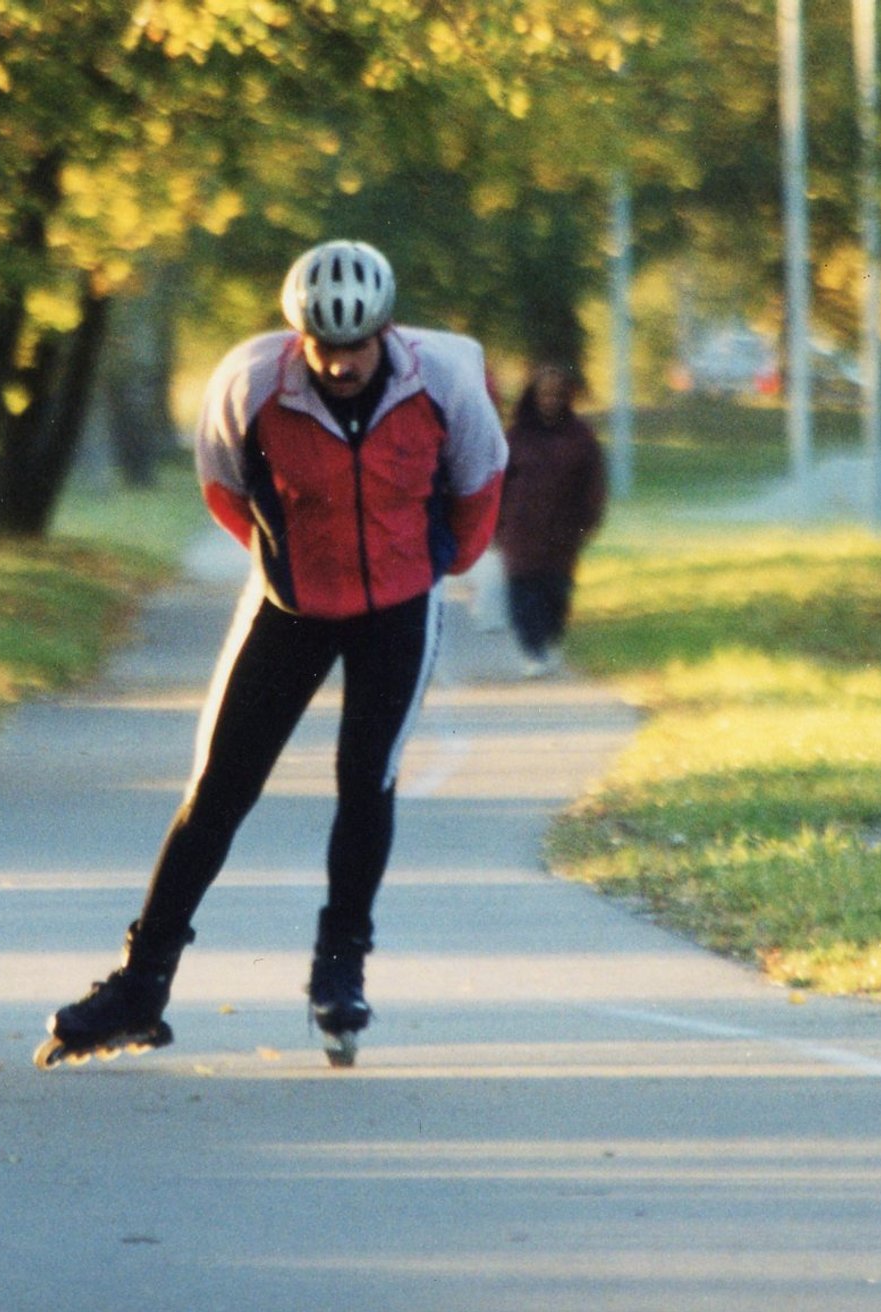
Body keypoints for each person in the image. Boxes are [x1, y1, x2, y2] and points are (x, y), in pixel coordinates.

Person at [35, 239, 508, 1069]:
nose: (340, 363)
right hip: (289, 605)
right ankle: (141, 982)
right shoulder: (251, 384)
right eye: (323, 346)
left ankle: (340, 969)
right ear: (299, 337)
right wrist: (288, 563)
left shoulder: (447, 382)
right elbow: (224, 492)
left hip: (399, 606)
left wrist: (430, 568)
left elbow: (479, 491)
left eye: (356, 345)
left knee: (367, 779)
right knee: (218, 789)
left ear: (386, 334)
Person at [495, 364, 607, 676]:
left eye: (558, 395)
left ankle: (550, 640)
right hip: (520, 532)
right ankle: (532, 649)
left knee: (556, 593)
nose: (551, 400)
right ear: (533, 397)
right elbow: (497, 484)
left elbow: (594, 485)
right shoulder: (515, 437)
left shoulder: (581, 438)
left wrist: (588, 524)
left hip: (563, 533)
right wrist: (495, 525)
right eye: (545, 394)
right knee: (523, 593)